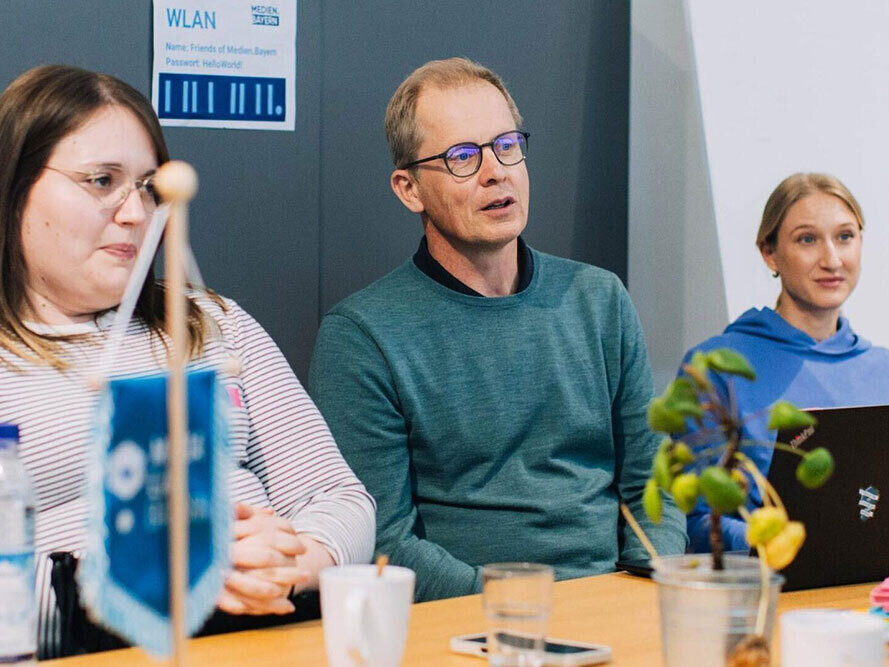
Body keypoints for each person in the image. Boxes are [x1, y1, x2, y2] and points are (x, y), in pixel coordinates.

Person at [0, 65, 375, 658]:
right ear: (15, 186)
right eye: (101, 181)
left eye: (149, 187)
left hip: (272, 636)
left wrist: (295, 562)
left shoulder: (212, 321)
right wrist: (152, 575)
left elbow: (338, 497)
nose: (135, 212)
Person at [308, 57, 686, 602]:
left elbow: (652, 485)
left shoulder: (599, 298)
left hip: (616, 600)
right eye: (463, 157)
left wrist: (649, 584)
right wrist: (514, 609)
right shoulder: (362, 336)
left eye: (507, 146)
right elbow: (384, 540)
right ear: (409, 188)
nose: (496, 172)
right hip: (470, 623)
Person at [681, 173, 889, 552]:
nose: (832, 259)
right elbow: (693, 521)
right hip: (766, 591)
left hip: (870, 595)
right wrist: (778, 546)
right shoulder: (717, 366)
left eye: (845, 237)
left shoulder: (883, 370)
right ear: (769, 252)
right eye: (807, 239)